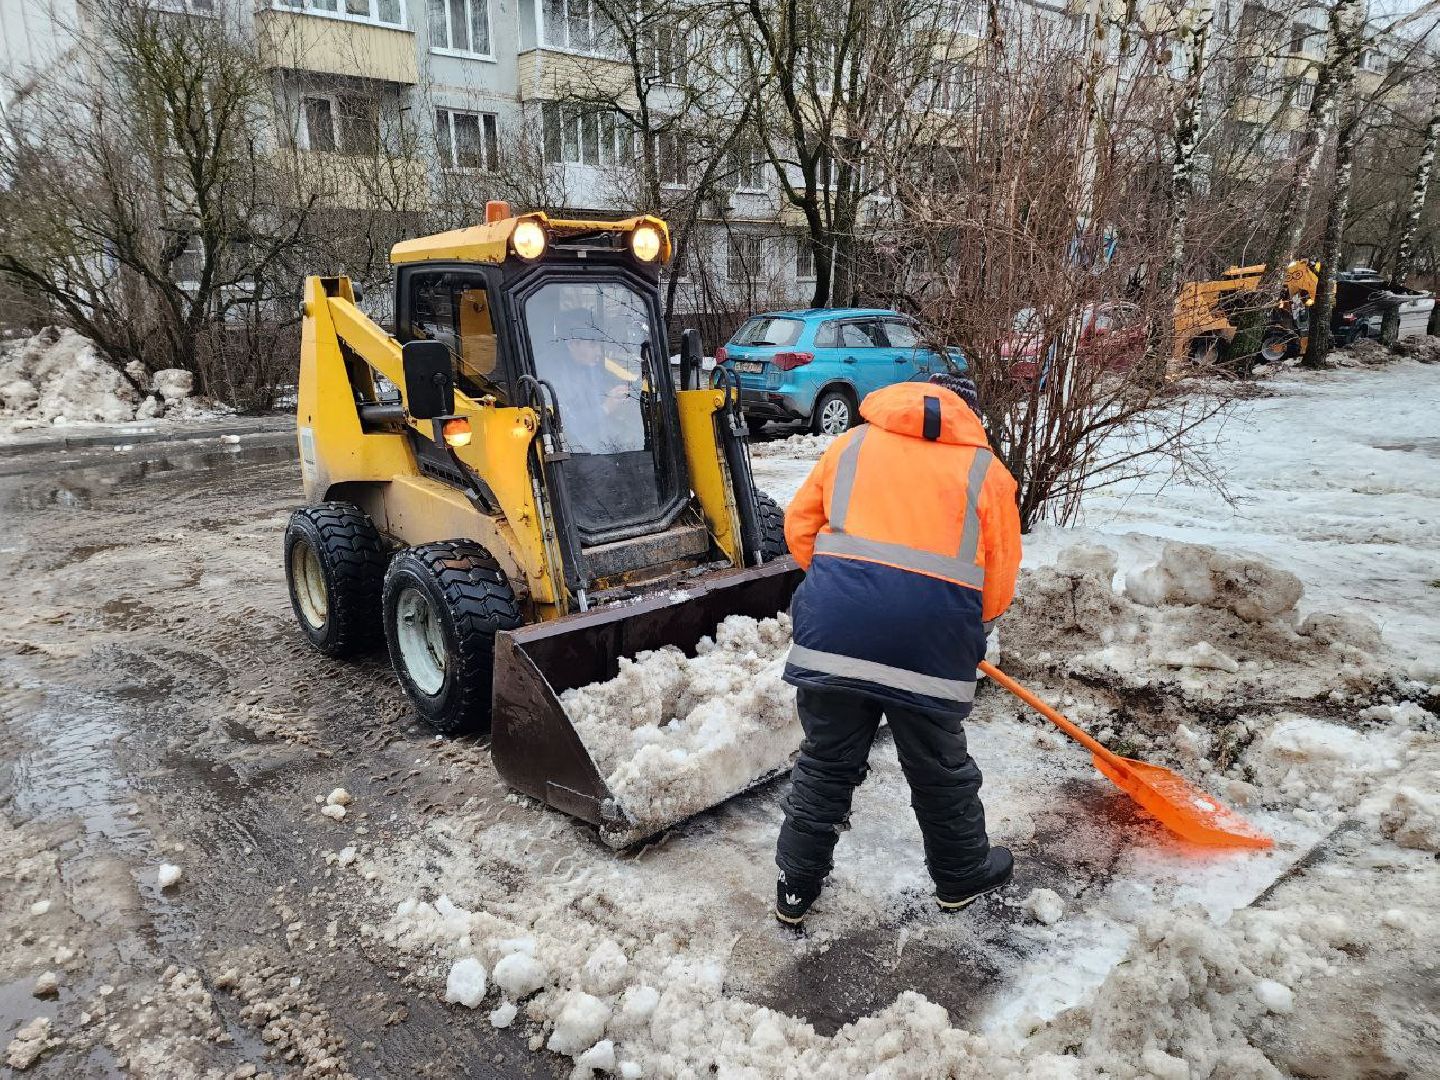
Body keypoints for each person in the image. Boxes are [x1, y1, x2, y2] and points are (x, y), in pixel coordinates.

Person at [774, 372, 1022, 925]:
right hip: (932, 645)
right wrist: (948, 615)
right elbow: (998, 585)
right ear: (964, 412)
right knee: (938, 765)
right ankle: (960, 876)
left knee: (826, 761)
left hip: (836, 633)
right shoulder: (986, 471)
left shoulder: (851, 444)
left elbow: (799, 527)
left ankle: (795, 887)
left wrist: (848, 591)